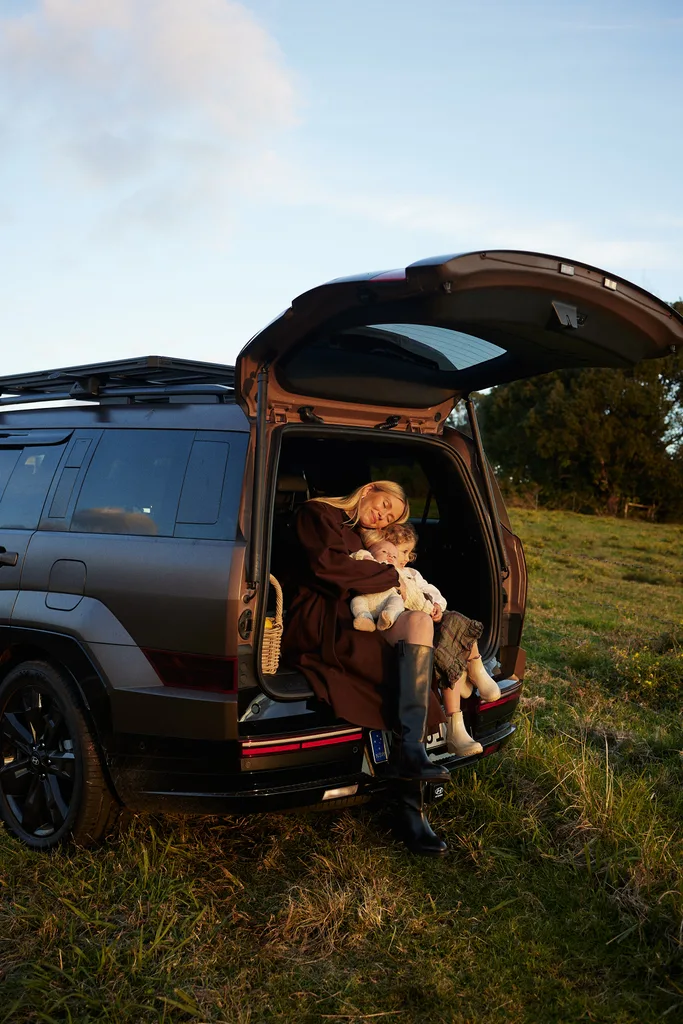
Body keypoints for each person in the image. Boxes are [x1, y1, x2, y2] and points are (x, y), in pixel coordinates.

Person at [281, 481, 449, 856]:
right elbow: (329, 568)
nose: (383, 515)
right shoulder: (317, 513)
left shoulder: (365, 535)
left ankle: (411, 756)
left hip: (368, 611)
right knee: (395, 675)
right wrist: (391, 577)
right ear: (370, 489)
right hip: (324, 616)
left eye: (391, 516)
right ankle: (410, 806)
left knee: (419, 628)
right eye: (385, 504)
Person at [360, 522, 501, 756]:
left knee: (454, 619)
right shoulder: (379, 570)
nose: (404, 558)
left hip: (428, 619)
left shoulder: (412, 574)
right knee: (447, 648)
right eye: (401, 552)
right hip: (405, 627)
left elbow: (433, 591)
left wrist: (437, 606)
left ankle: (476, 670)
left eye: (408, 553)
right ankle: (456, 725)